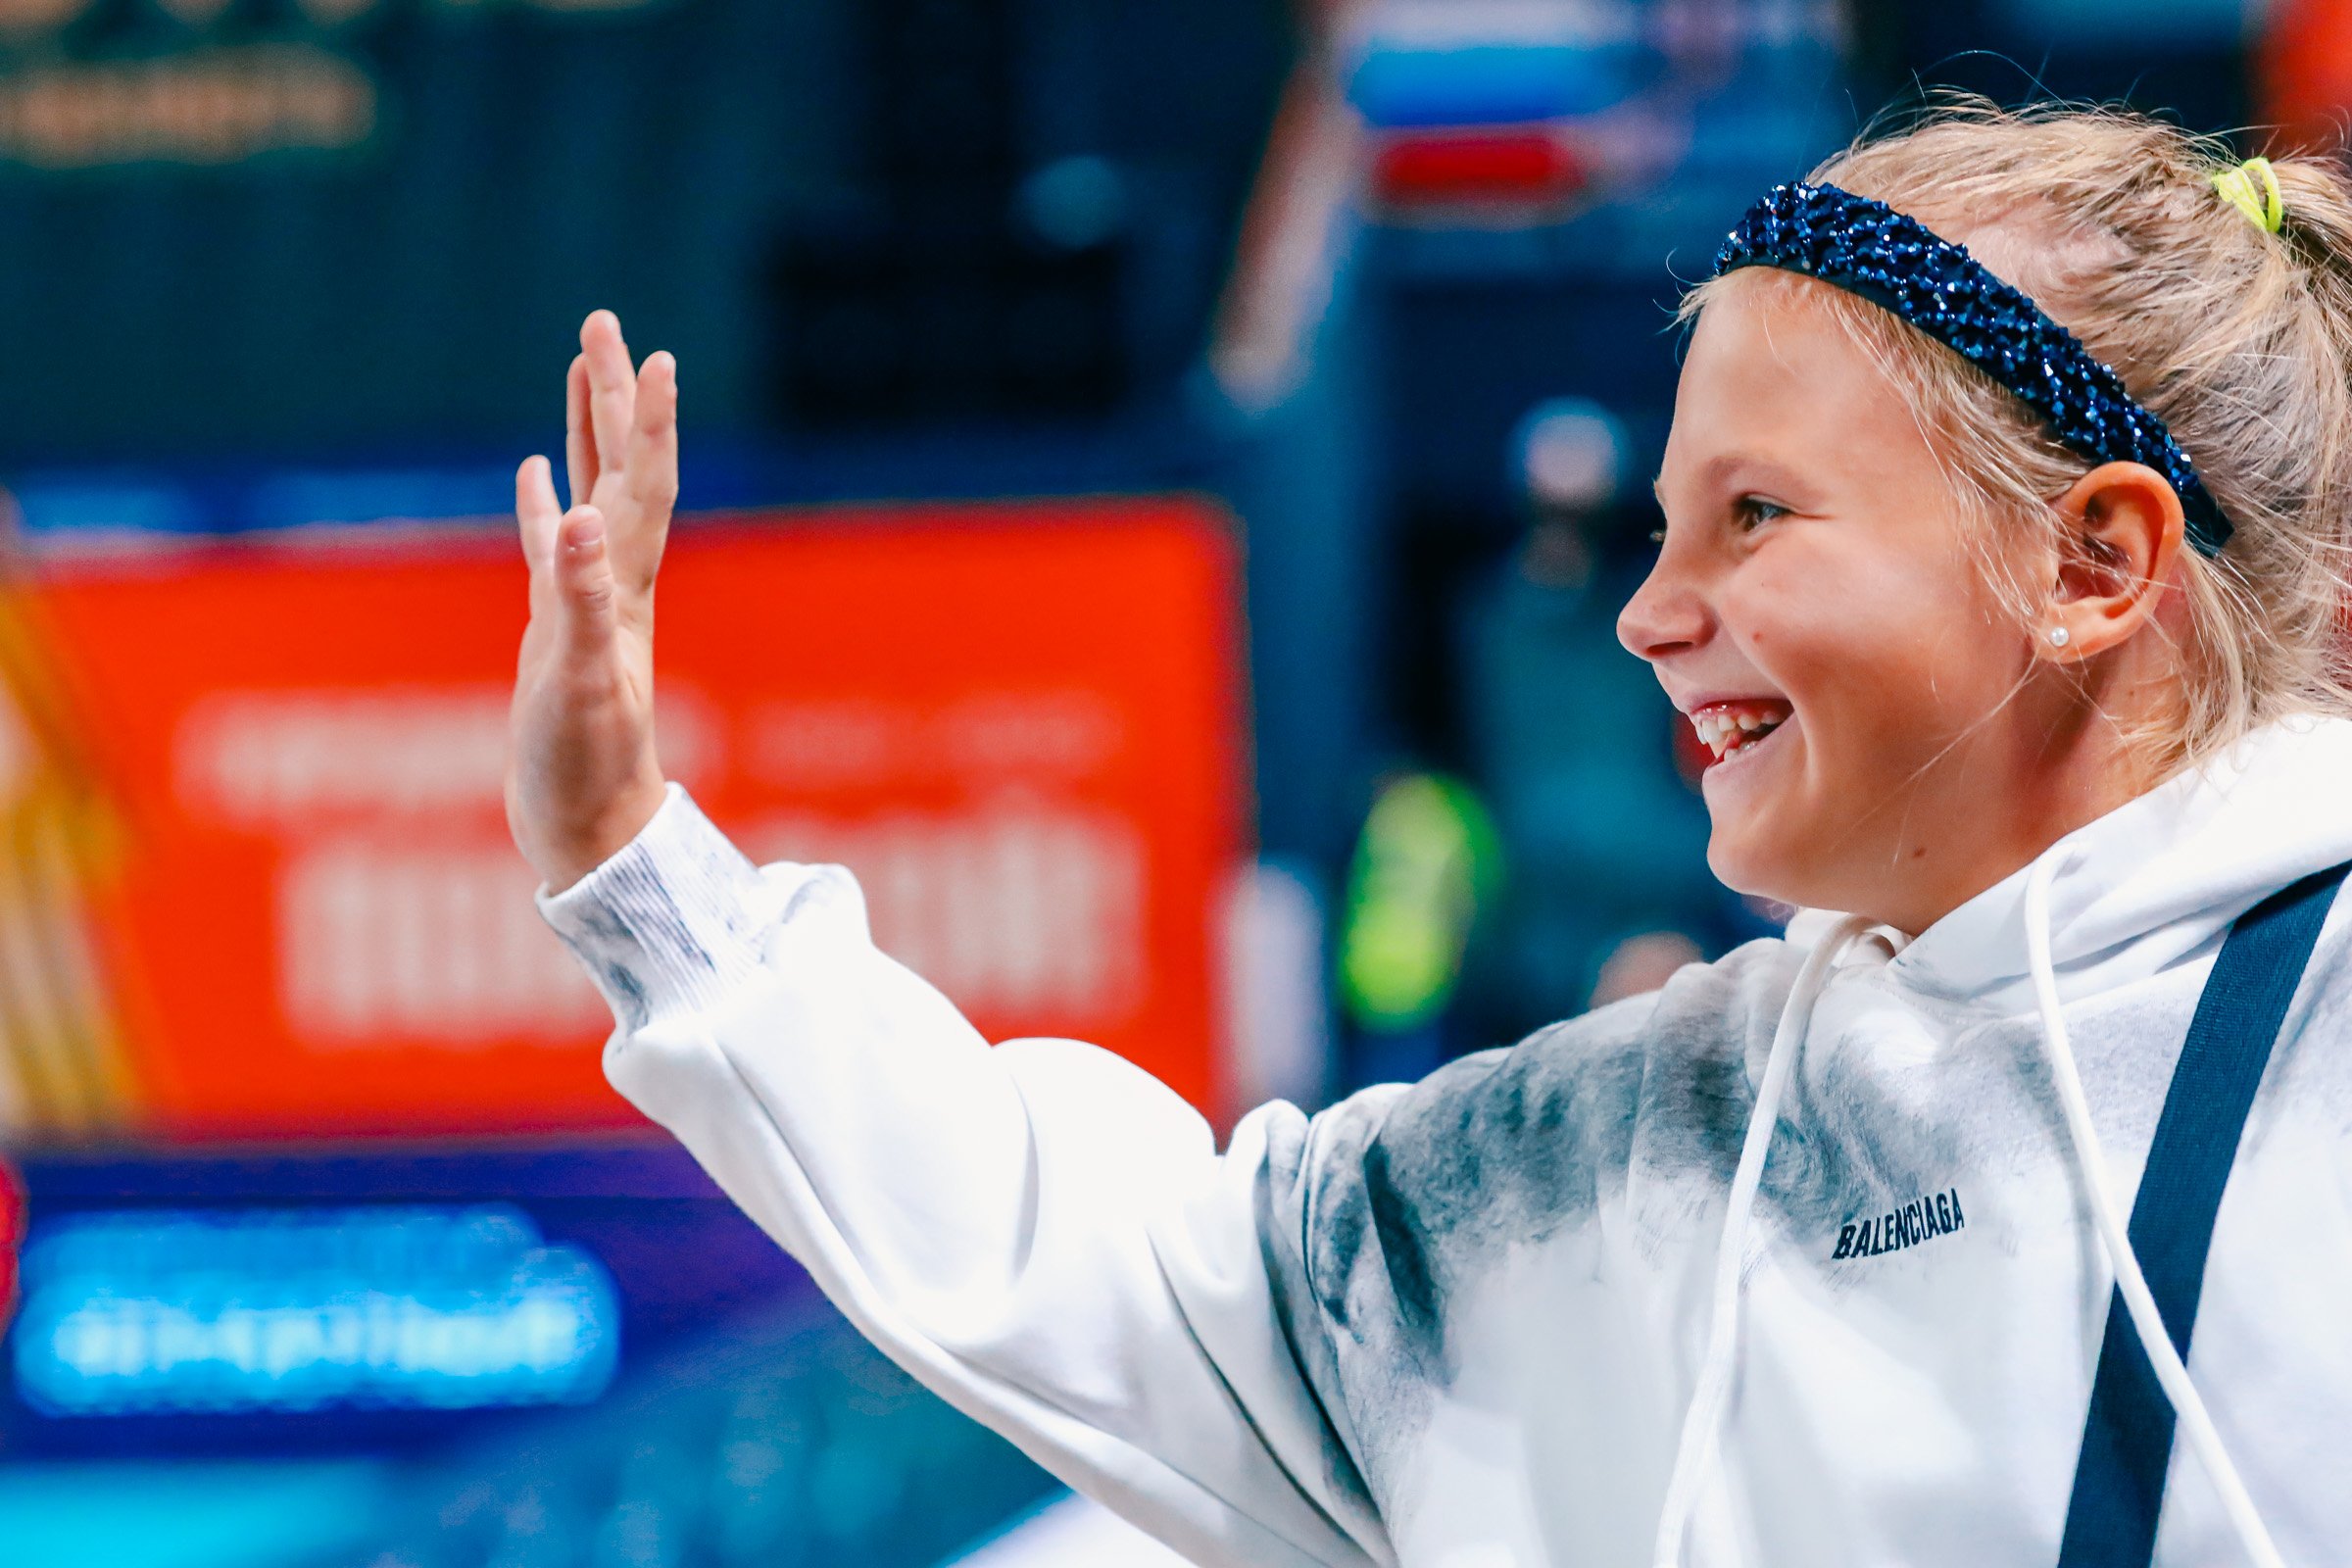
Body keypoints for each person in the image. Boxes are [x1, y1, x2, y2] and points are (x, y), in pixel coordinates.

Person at [507, 104, 2352, 1566]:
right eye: (1663, 527)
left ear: (2090, 564)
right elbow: (1122, 1277)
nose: (1650, 614)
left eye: (1756, 516)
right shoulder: (1625, 1146)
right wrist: (638, 865)